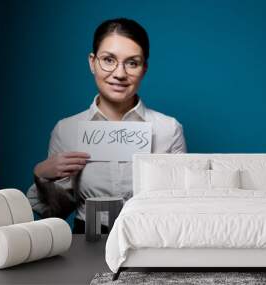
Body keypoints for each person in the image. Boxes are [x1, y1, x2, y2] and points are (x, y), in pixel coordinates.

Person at [26, 18, 187, 233]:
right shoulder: (66, 130)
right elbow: (57, 212)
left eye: (132, 63)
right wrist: (42, 177)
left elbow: (180, 206)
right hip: (87, 240)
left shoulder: (169, 130)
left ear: (144, 68)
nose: (120, 74)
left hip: (150, 240)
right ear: (92, 62)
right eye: (109, 60)